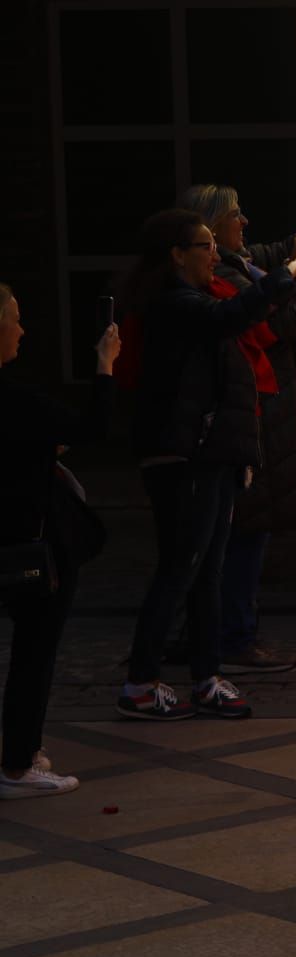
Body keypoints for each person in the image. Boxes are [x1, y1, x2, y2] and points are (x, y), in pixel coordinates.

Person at [119, 210, 296, 721]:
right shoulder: (173, 305)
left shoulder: (200, 298)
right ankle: (140, 683)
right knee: (179, 568)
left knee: (209, 571)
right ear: (177, 253)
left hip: (212, 455)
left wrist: (241, 454)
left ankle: (206, 676)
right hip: (183, 458)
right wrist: (294, 270)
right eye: (204, 245)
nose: (215, 255)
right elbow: (231, 318)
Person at [177, 185, 296, 676]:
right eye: (235, 215)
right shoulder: (221, 277)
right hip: (251, 409)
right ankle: (232, 636)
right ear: (208, 233)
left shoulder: (231, 259)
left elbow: (266, 255)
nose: (245, 222)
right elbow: (284, 321)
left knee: (237, 532)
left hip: (259, 407)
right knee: (243, 533)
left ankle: (219, 633)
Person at [0, 285, 116, 797]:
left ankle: (21, 751)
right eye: (15, 319)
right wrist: (105, 363)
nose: (22, 331)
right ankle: (18, 765)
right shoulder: (17, 398)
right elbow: (95, 426)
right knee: (34, 651)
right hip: (30, 543)